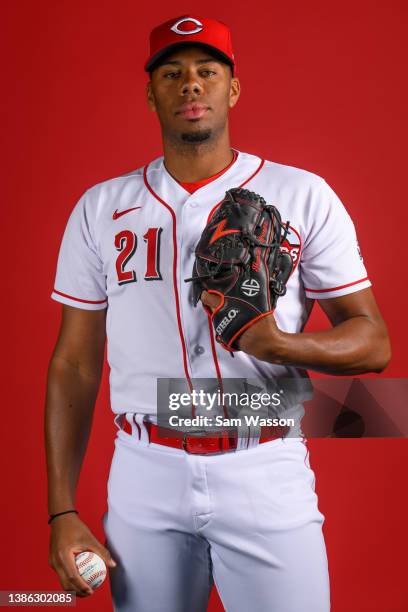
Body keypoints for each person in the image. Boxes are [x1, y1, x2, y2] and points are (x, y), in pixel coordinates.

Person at [45, 15, 391, 612]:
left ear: (232, 90)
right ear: (150, 91)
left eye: (208, 71)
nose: (191, 85)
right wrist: (62, 509)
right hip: (143, 470)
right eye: (172, 73)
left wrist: (280, 344)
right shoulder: (101, 208)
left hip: (265, 465)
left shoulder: (303, 195)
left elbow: (373, 343)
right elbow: (74, 363)